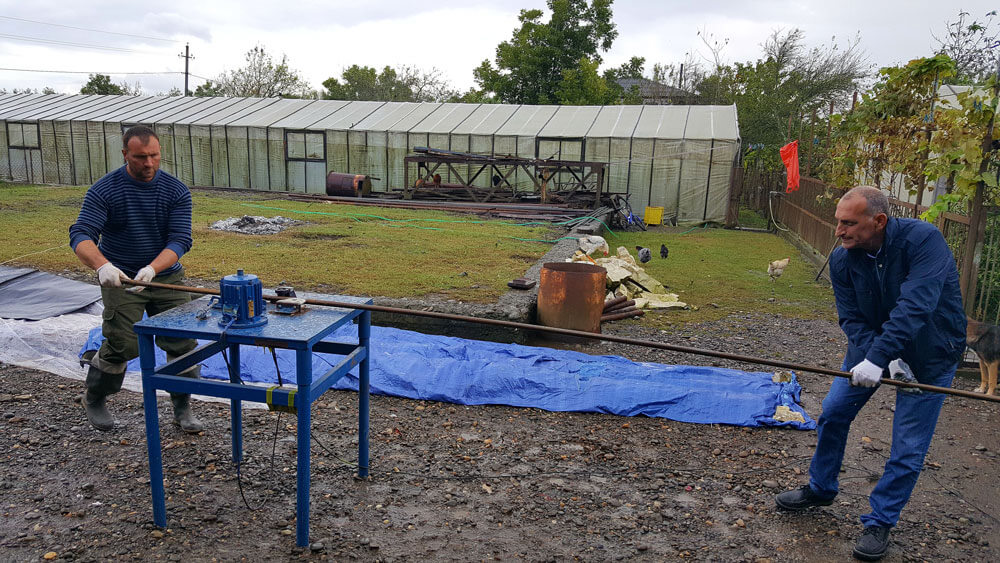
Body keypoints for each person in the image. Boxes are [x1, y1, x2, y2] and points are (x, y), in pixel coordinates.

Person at [774, 186, 965, 561]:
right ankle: (821, 487)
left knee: (907, 447)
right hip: (870, 354)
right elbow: (852, 319)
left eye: (848, 223)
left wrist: (883, 358)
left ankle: (880, 520)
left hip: (930, 356)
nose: (838, 231)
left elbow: (917, 305)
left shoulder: (923, 241)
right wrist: (879, 357)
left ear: (878, 221)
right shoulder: (843, 260)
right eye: (837, 222)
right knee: (833, 412)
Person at [69, 125, 204, 434]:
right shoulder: (105, 190)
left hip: (165, 277)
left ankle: (182, 406)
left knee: (182, 342)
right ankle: (95, 394)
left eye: (154, 156)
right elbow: (81, 234)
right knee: (123, 344)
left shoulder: (175, 191)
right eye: (141, 157)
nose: (149, 164)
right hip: (121, 279)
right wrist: (103, 266)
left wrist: (154, 268)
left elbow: (181, 239)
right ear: (125, 154)